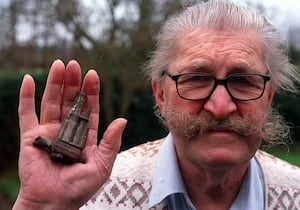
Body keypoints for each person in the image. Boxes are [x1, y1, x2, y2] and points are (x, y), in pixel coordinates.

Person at [13, 0, 300, 209]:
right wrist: (41, 207)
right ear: (160, 95)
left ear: (269, 96)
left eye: (243, 81)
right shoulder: (93, 197)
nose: (221, 106)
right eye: (197, 79)